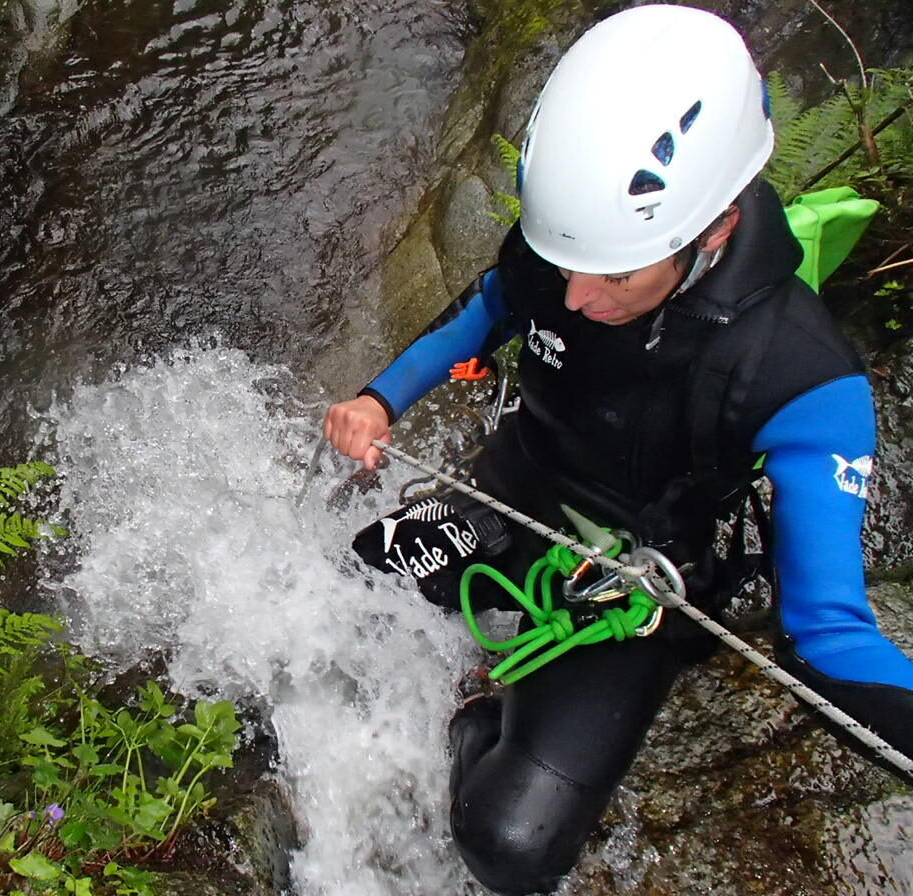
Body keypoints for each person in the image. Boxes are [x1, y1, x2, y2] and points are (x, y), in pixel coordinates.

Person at [322, 6, 913, 894]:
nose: (577, 295)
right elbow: (485, 312)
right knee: (345, 593)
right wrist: (379, 398)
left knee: (509, 847)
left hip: (634, 582)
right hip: (511, 491)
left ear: (711, 229)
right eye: (566, 263)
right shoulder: (569, 248)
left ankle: (475, 715)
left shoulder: (804, 379)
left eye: (614, 275)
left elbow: (828, 632)